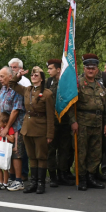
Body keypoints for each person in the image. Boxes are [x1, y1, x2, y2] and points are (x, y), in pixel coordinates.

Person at [13, 66, 54, 194]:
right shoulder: (27, 90)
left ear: (42, 78)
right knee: (31, 156)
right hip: (27, 128)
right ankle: (33, 182)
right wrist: (19, 75)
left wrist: (50, 134)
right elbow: (12, 83)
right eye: (32, 75)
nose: (33, 76)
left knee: (41, 156)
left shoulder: (47, 94)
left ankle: (41, 183)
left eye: (36, 75)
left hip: (41, 128)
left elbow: (51, 116)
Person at [72, 54, 106, 190]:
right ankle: (82, 178)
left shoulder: (100, 84)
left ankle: (91, 176)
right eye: (88, 68)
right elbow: (71, 105)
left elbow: (104, 106)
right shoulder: (78, 83)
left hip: (98, 123)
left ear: (97, 69)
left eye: (93, 68)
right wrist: (73, 122)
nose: (91, 70)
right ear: (84, 68)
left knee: (96, 152)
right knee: (82, 152)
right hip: (82, 123)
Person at [45, 59, 74, 187]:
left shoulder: (65, 83)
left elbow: (70, 101)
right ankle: (52, 176)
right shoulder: (49, 82)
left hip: (64, 121)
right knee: (51, 150)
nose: (48, 71)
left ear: (58, 69)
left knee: (64, 149)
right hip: (52, 122)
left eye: (50, 68)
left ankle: (62, 174)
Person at [0, 67, 25, 190]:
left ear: (10, 76)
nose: (0, 79)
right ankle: (11, 178)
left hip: (16, 125)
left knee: (16, 153)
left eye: (2, 76)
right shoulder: (2, 89)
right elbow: (1, 109)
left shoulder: (16, 89)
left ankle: (19, 180)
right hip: (4, 124)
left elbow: (15, 110)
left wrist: (7, 127)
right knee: (6, 151)